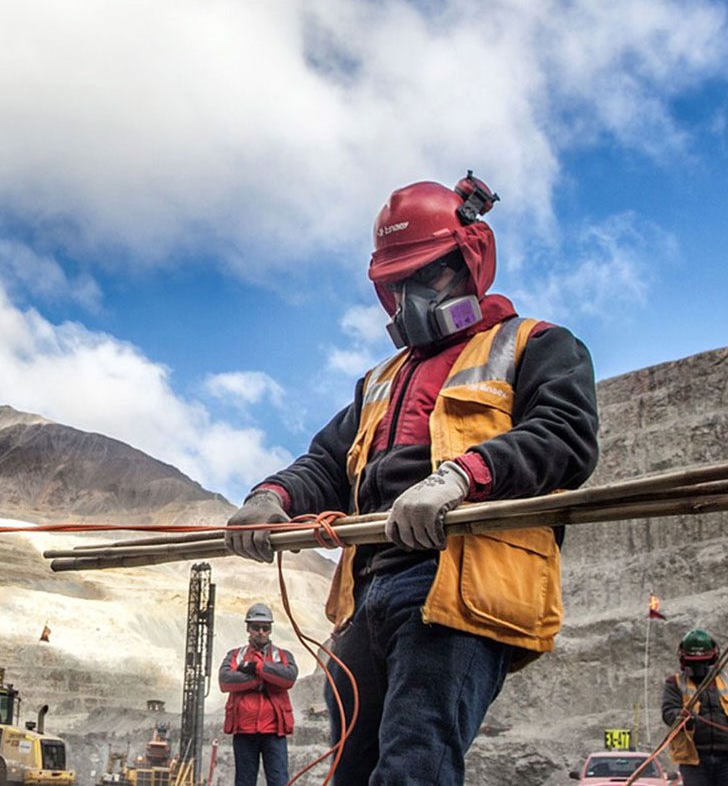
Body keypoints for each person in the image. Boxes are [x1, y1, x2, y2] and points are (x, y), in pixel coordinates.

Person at [225, 175, 599, 785]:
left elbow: (566, 436)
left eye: (426, 276)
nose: (410, 298)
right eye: (397, 284)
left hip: (455, 583)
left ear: (469, 261)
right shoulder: (381, 378)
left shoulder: (536, 345)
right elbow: (326, 462)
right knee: (350, 772)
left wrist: (461, 478)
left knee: (413, 765)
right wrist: (272, 497)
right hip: (368, 592)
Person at [219, 603, 297, 786]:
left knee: (278, 781)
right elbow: (225, 681)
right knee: (245, 782)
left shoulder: (283, 656)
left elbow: (289, 678)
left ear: (270, 629)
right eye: (256, 627)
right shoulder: (235, 655)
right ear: (248, 628)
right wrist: (264, 680)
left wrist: (257, 668)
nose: (261, 632)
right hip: (245, 730)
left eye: (265, 627)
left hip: (274, 731)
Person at [664, 628, 728, 785]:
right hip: (694, 759)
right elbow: (668, 712)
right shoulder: (675, 683)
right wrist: (682, 716)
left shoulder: (726, 680)